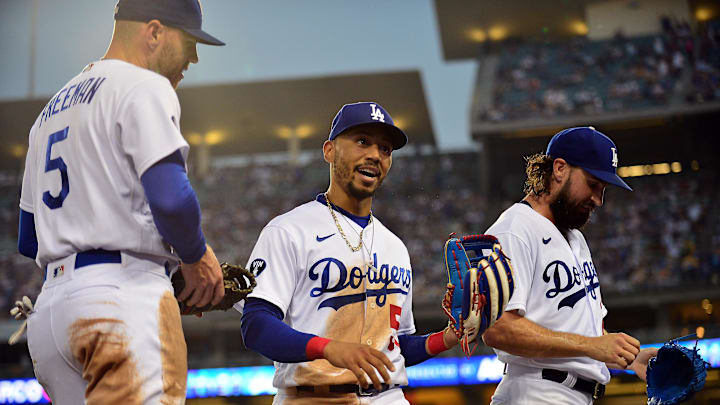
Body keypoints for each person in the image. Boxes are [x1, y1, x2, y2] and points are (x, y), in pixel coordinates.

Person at [17, 0, 226, 403]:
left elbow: (29, 239)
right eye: (189, 42)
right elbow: (171, 197)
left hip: (50, 320)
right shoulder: (143, 85)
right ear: (153, 32)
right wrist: (195, 257)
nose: (194, 57)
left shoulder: (47, 114)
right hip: (121, 303)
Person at [238, 102, 461, 404]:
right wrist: (328, 347)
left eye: (385, 149)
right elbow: (256, 325)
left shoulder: (394, 245)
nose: (375, 154)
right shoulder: (289, 230)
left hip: (388, 397)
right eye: (362, 141)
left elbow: (395, 348)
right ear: (329, 151)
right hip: (313, 397)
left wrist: (446, 338)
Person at [481, 126, 658, 404]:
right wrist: (593, 346)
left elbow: (584, 334)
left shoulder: (574, 237)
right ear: (560, 169)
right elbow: (497, 328)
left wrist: (630, 358)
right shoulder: (514, 229)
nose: (598, 200)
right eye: (592, 184)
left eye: (603, 189)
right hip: (535, 392)